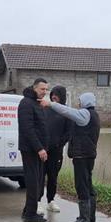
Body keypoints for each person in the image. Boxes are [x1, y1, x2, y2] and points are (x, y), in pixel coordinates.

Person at [40, 92, 100, 222]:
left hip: (82, 156)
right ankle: (90, 217)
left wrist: (50, 104)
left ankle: (84, 218)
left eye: (80, 101)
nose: (79, 103)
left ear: (85, 102)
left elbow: (67, 111)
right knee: (88, 185)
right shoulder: (94, 115)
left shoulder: (85, 114)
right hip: (89, 155)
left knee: (82, 186)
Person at [17, 78, 49, 222]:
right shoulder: (26, 103)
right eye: (42, 89)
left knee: (38, 181)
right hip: (30, 150)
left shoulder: (36, 103)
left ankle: (28, 210)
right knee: (32, 182)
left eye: (46, 89)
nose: (45, 92)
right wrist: (39, 148)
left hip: (37, 150)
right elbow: (28, 129)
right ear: (35, 88)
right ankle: (30, 214)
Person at [43, 85, 71, 213]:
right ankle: (37, 201)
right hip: (42, 150)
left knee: (53, 177)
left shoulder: (66, 112)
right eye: (52, 94)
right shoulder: (44, 108)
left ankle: (51, 201)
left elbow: (68, 133)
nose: (54, 96)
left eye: (57, 94)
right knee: (39, 176)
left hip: (56, 151)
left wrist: (59, 144)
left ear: (62, 97)